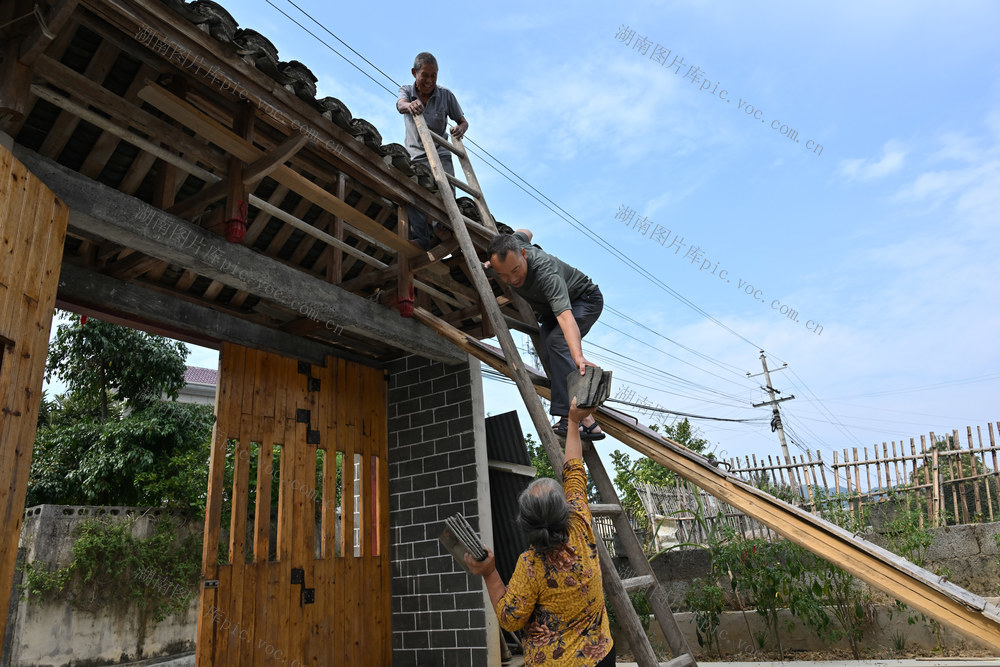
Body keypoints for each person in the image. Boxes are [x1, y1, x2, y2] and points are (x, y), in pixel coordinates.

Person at [466, 399, 615, 666]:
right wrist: (572, 420)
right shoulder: (580, 524)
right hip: (601, 657)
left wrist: (489, 572)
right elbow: (574, 470)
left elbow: (510, 618)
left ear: (525, 524)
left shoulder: (531, 566)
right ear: (564, 510)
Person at [486, 230, 605, 440]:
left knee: (558, 343)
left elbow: (566, 317)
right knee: (549, 353)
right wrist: (491, 268)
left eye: (515, 270)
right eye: (503, 274)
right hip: (549, 310)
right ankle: (589, 423)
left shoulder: (545, 271)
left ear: (523, 254)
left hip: (583, 299)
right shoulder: (514, 244)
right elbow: (526, 232)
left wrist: (578, 356)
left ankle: (573, 417)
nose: (512, 279)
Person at [397, 52, 469, 250]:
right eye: (425, 75)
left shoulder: (446, 95)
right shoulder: (406, 90)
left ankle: (443, 227)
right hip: (416, 154)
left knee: (445, 189)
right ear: (414, 73)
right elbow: (400, 104)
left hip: (440, 153)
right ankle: (421, 238)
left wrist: (458, 130)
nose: (429, 80)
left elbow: (463, 122)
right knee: (415, 194)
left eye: (433, 76)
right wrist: (409, 105)